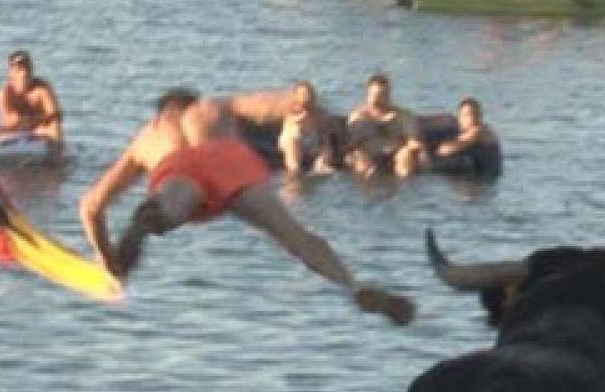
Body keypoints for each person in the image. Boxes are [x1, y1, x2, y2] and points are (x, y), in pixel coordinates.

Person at [77, 87, 414, 326]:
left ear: (163, 110)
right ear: (190, 102)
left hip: (177, 169)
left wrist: (108, 259)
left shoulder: (149, 136)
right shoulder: (212, 107)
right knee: (294, 236)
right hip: (230, 161)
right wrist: (301, 104)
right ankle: (350, 285)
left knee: (169, 205)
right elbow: (275, 104)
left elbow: (91, 206)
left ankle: (152, 219)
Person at [345, 74, 429, 179]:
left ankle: (404, 188)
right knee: (358, 156)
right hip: (369, 154)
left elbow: (413, 141)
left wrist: (418, 150)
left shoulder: (403, 115)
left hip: (396, 153)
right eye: (375, 96)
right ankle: (369, 182)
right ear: (368, 95)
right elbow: (352, 145)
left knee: (405, 154)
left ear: (389, 94)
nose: (379, 99)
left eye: (383, 95)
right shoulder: (358, 117)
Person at [0, 49, 64, 158]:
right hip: (14, 134)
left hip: (39, 131)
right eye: (19, 69)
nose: (24, 73)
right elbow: (10, 121)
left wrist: (33, 121)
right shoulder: (4, 93)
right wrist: (28, 121)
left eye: (27, 68)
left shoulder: (41, 88)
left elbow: (56, 114)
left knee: (55, 125)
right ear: (10, 72)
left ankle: (57, 159)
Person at [277, 80, 338, 177]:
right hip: (294, 142)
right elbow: (291, 121)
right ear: (295, 96)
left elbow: (325, 135)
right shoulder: (290, 109)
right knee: (291, 140)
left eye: (309, 94)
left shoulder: (320, 113)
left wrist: (326, 147)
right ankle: (294, 170)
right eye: (303, 94)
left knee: (325, 147)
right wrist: (300, 118)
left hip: (312, 144)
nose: (306, 97)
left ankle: (320, 165)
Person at [431, 97, 501, 176]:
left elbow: (447, 150)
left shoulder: (479, 131)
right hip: (474, 176)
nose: (471, 118)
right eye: (466, 115)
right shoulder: (464, 133)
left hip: (481, 181)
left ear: (481, 116)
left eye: (475, 114)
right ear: (459, 118)